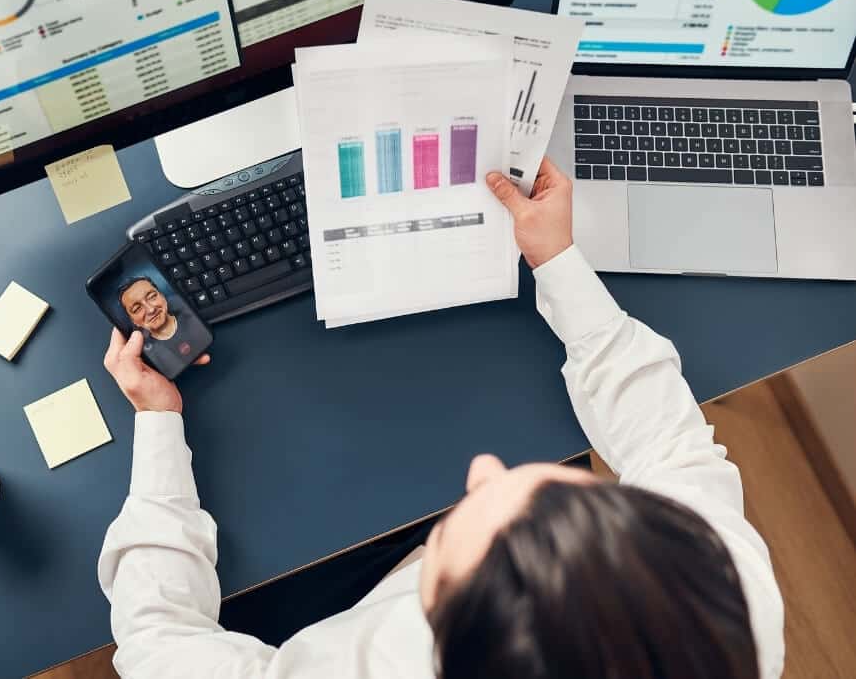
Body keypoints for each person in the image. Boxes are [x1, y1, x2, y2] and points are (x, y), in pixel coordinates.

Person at [98, 157, 784, 679]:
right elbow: (672, 444)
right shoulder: (722, 593)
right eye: (568, 493)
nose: (484, 469)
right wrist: (557, 258)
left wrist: (159, 422)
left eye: (467, 538)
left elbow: (156, 640)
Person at [118, 276, 180, 341]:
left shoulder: (187, 308)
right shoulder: (142, 347)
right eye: (137, 309)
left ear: (162, 296)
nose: (151, 310)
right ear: (133, 321)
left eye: (152, 297)